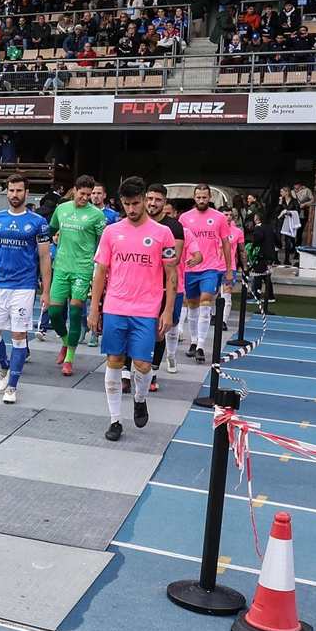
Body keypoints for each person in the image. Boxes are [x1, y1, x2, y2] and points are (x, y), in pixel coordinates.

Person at [86, 177, 178, 442]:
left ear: (146, 199)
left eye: (136, 203)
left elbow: (171, 273)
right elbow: (101, 272)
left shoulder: (163, 233)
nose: (132, 209)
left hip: (147, 309)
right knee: (114, 361)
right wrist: (95, 308)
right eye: (126, 204)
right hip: (115, 305)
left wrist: (168, 310)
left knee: (143, 364)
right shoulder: (112, 232)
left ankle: (139, 398)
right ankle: (115, 420)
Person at [0, 173, 52, 404]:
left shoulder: (37, 222)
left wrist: (47, 292)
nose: (14, 194)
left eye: (19, 190)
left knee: (19, 336)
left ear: (26, 193)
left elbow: (44, 258)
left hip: (23, 286)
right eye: (11, 190)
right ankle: (4, 366)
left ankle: (12, 386)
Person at [46, 175, 105, 376]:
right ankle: (65, 342)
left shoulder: (96, 215)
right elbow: (50, 230)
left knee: (74, 312)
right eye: (82, 194)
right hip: (61, 267)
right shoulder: (61, 209)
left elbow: (104, 241)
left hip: (82, 269)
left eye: (89, 195)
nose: (86, 198)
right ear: (74, 190)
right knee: (53, 313)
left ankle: (69, 360)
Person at [177, 184, 235, 363]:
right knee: (192, 305)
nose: (201, 200)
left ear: (210, 198)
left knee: (205, 304)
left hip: (210, 268)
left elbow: (225, 244)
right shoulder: (185, 218)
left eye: (204, 197)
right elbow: (179, 242)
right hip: (189, 269)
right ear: (194, 198)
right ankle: (193, 342)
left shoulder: (218, 218)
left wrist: (228, 269)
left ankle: (201, 345)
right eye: (198, 197)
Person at [147, 183, 188, 377]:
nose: (152, 203)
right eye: (149, 199)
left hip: (162, 287)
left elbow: (175, 260)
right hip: (138, 286)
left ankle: (154, 372)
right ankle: (126, 374)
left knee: (158, 331)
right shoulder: (137, 221)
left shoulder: (174, 227)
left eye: (157, 200)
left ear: (164, 202)